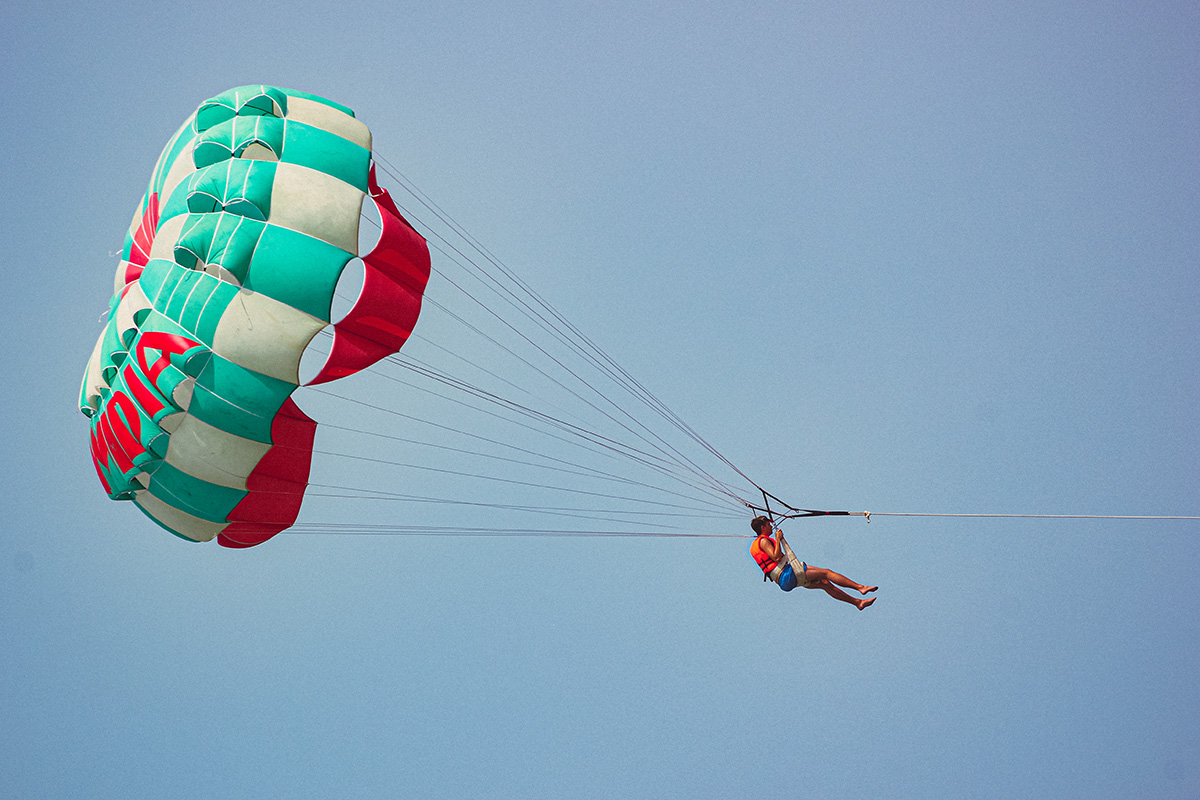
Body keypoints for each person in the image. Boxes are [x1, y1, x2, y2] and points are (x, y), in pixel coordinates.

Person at [749, 516, 877, 610]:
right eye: (768, 525)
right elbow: (776, 557)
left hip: (784, 582)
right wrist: (778, 539)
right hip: (787, 574)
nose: (771, 526)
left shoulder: (755, 546)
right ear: (763, 528)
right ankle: (860, 587)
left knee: (825, 584)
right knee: (827, 573)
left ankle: (858, 603)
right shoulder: (763, 541)